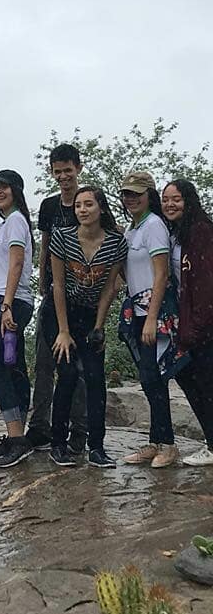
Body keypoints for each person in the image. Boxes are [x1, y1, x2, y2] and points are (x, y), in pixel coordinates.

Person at [47, 187, 127, 468]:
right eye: (78, 205)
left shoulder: (116, 242)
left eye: (89, 204)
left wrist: (99, 326)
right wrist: (63, 331)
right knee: (68, 373)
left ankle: (97, 448)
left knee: (95, 377)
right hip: (60, 312)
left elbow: (109, 287)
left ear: (101, 208)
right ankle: (58, 444)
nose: (82, 210)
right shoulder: (63, 237)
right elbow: (57, 285)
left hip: (91, 313)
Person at [26, 143, 87, 453]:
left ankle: (79, 428)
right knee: (44, 360)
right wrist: (41, 279)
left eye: (68, 170)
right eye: (57, 171)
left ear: (78, 168)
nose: (63, 177)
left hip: (83, 295)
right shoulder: (49, 206)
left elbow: (107, 237)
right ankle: (39, 426)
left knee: (75, 365)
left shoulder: (89, 202)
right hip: (53, 291)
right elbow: (46, 242)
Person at [119, 172, 179, 468]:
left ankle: (167, 444)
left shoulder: (154, 225)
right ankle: (155, 441)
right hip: (138, 310)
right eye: (127, 194)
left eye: (136, 193)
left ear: (149, 195)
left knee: (154, 378)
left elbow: (161, 273)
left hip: (153, 312)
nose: (131, 199)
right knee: (148, 378)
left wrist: (152, 317)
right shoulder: (133, 229)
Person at [0, 169, 35, 469]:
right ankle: (18, 435)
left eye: (4, 187)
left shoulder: (15, 220)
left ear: (16, 191)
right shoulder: (5, 223)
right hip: (4, 299)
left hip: (9, 300)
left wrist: (6, 306)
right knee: (14, 368)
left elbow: (16, 262)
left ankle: (17, 439)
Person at [162, 179, 213, 465]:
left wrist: (196, 327)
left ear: (189, 200)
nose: (170, 204)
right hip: (192, 322)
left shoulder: (201, 231)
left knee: (203, 382)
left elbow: (205, 283)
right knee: (189, 378)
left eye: (176, 199)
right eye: (166, 199)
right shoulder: (179, 233)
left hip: (204, 324)